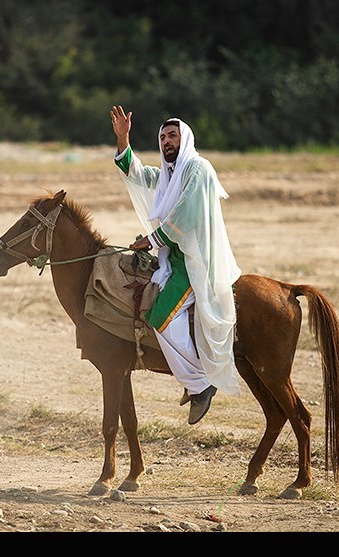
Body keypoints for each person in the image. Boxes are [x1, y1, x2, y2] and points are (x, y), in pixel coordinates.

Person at [110, 104, 242, 425]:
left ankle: (199, 383)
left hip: (198, 261)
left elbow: (187, 213)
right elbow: (138, 174)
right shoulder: (169, 176)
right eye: (163, 137)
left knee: (160, 316)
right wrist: (123, 140)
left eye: (173, 135)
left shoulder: (198, 169)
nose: (167, 141)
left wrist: (151, 240)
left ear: (186, 139)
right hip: (175, 259)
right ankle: (192, 378)